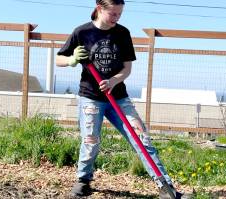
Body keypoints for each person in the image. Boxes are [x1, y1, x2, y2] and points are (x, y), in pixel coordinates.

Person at [56, 0, 182, 198]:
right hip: (91, 98)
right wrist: (72, 59)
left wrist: (113, 81)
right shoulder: (82, 33)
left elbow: (127, 68)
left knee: (141, 137)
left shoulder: (122, 33)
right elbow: (59, 59)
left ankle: (164, 186)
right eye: (113, 14)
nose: (117, 18)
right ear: (99, 9)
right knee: (91, 141)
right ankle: (83, 181)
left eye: (119, 14)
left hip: (119, 98)